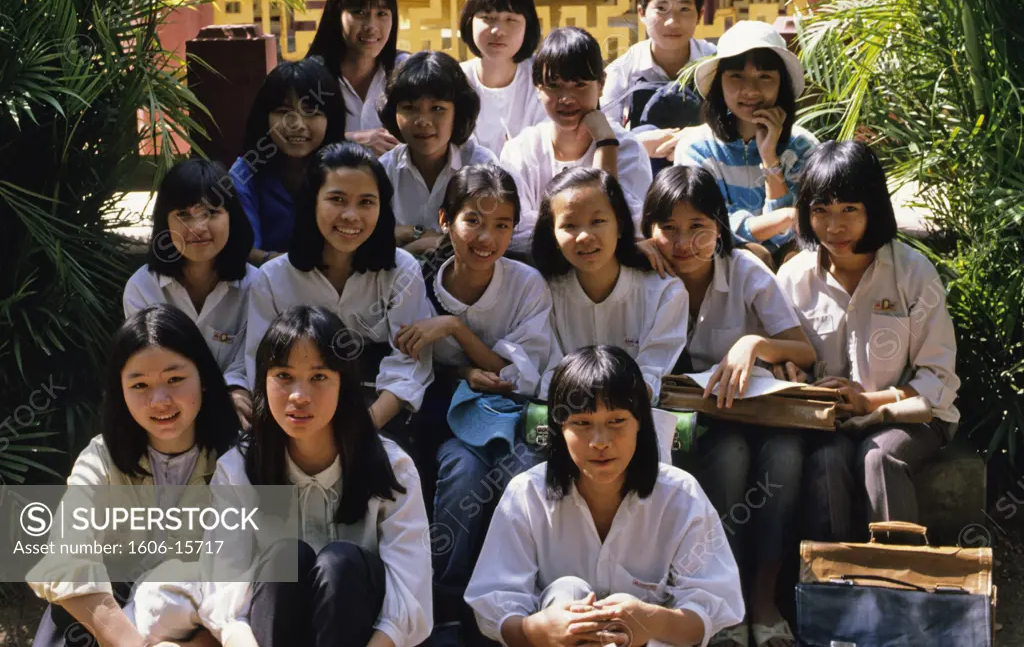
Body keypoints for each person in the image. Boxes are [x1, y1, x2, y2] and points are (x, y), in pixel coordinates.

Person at [465, 345, 745, 647]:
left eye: (616, 422)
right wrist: (538, 630)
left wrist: (651, 620)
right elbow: (496, 608)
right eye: (582, 423)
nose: (600, 442)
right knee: (566, 590)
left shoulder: (682, 496)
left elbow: (709, 610)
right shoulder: (526, 495)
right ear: (560, 428)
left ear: (640, 423)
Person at [641, 165, 816, 647]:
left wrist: (754, 344)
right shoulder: (643, 272)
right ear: (648, 231)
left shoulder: (743, 269)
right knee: (729, 456)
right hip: (691, 420)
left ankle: (762, 596)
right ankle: (725, 597)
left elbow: (803, 351)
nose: (683, 243)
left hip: (756, 411)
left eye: (698, 227)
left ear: (719, 226)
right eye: (668, 229)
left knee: (783, 456)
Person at [188, 306, 432, 647]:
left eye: (318, 377)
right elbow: (225, 598)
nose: (299, 396)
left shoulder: (390, 466)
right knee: (286, 558)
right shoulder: (238, 469)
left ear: (343, 384)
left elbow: (410, 592)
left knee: (340, 564)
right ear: (263, 381)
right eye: (284, 377)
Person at [392, 163, 552, 647]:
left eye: (502, 224)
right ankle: (446, 605)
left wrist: (456, 329)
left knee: (519, 476)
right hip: (453, 422)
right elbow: (409, 357)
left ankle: (510, 600)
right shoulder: (416, 280)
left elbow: (514, 372)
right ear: (445, 219)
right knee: (460, 476)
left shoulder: (526, 284)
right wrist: (461, 369)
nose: (487, 237)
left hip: (518, 416)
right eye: (474, 221)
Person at [777, 140, 960, 543]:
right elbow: (783, 361)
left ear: (872, 208)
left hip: (911, 417)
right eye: (820, 210)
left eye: (849, 210)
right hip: (829, 424)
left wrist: (870, 403)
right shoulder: (793, 279)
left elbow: (938, 378)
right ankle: (838, 589)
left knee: (879, 457)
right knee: (827, 461)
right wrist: (794, 376)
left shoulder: (913, 273)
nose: (834, 226)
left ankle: (896, 586)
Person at [29, 305, 238, 647]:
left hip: (203, 623)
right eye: (139, 384)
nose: (160, 400)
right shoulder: (101, 458)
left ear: (204, 379)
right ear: (120, 392)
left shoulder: (238, 460)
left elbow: (252, 583)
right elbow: (64, 556)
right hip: (115, 625)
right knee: (64, 613)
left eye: (175, 379)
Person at [245, 141, 434, 444]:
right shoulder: (272, 278)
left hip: (379, 414)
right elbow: (259, 364)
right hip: (295, 412)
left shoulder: (402, 271)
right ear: (312, 203)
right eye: (337, 199)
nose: (351, 215)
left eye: (366, 202)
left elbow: (409, 363)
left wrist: (363, 429)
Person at [532, 167, 687, 403]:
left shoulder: (665, 293)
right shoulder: (542, 292)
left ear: (621, 225)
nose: (584, 236)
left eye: (598, 221)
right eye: (569, 226)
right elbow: (548, 374)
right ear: (552, 234)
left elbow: (651, 376)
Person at [673, 21, 819, 268]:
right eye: (736, 76)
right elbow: (708, 227)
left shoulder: (804, 147)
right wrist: (783, 218)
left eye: (765, 77)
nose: (750, 90)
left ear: (781, 84)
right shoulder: (697, 149)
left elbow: (795, 233)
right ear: (719, 82)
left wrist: (769, 157)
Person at [124, 159, 258, 426]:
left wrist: (234, 392)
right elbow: (151, 366)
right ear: (165, 223)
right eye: (183, 215)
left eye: (211, 212)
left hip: (238, 413)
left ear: (232, 217)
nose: (197, 228)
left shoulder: (256, 285)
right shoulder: (142, 288)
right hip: (166, 414)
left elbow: (250, 357)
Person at [500, 27, 653, 254]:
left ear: (601, 84)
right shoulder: (520, 151)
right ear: (537, 88)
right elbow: (514, 232)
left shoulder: (628, 150)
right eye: (554, 85)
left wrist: (606, 146)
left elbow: (626, 230)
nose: (566, 98)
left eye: (579, 85)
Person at [377, 51, 498, 256]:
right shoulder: (384, 169)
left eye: (437, 108)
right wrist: (419, 234)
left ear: (458, 113)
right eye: (409, 108)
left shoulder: (481, 165)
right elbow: (371, 239)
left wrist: (428, 241)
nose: (423, 120)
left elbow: (491, 235)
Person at [229, 59, 347, 263]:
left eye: (311, 112)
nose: (297, 125)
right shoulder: (244, 174)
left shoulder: (349, 170)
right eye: (283, 113)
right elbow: (245, 253)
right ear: (264, 118)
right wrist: (304, 265)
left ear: (331, 119)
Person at [601, 0, 715, 157]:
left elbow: (741, 124)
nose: (672, 22)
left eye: (684, 9)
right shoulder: (621, 71)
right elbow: (603, 133)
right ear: (642, 13)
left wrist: (699, 136)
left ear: (700, 14)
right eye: (661, 9)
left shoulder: (717, 62)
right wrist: (637, 143)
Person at [306, 0, 403, 156]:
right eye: (360, 13)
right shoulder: (310, 76)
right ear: (337, 15)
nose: (371, 26)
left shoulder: (406, 71)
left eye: (381, 14)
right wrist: (353, 139)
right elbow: (290, 139)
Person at [459, 0, 547, 157]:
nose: (498, 30)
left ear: (528, 26)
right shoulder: (454, 80)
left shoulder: (544, 78)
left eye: (511, 19)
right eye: (487, 18)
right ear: (470, 21)